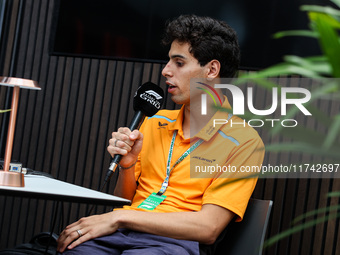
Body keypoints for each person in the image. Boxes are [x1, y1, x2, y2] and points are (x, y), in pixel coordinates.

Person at [57, 14, 264, 255]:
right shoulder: (155, 121)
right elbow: (126, 200)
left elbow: (209, 228)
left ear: (212, 70)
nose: (165, 71)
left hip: (173, 243)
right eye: (168, 61)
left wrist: (121, 218)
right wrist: (127, 166)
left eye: (179, 63)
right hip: (120, 232)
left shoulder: (244, 141)